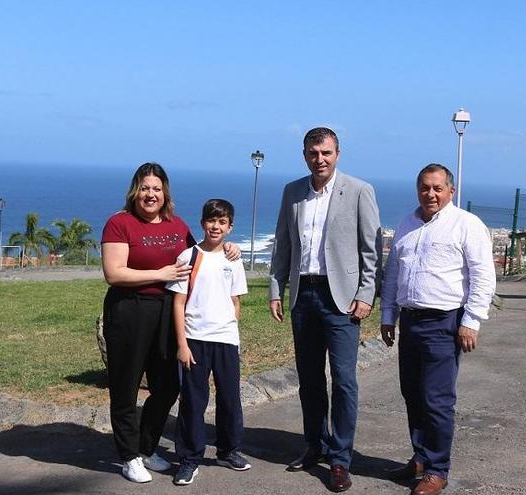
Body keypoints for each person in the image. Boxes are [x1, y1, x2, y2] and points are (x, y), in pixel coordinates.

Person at [101, 163, 239, 483]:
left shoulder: (176, 226)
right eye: (146, 188)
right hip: (129, 309)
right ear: (136, 191)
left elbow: (201, 253)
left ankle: (147, 448)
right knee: (126, 385)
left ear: (165, 194)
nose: (151, 195)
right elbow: (114, 272)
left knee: (167, 386)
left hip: (167, 309)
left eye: (157, 189)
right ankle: (128, 456)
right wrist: (160, 274)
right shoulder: (119, 223)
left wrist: (228, 248)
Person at [268, 127, 382, 493]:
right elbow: (283, 243)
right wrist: (276, 289)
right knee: (310, 379)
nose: (320, 159)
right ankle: (314, 444)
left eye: (327, 153)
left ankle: (340, 459)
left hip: (343, 300)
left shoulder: (360, 191)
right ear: (304, 154)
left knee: (345, 382)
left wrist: (366, 294)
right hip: (305, 296)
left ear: (338, 153)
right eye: (314, 153)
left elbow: (371, 249)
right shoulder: (293, 192)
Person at [379, 163, 496, 495]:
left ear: (451, 191)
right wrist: (388, 315)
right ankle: (420, 457)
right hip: (411, 321)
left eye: (437, 188)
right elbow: (392, 275)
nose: (430, 194)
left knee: (437, 400)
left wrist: (471, 321)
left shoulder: (466, 225)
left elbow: (483, 276)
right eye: (424, 188)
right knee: (412, 394)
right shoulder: (406, 224)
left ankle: (437, 470)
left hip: (444, 322)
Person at [166, 199, 250, 486]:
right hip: (194, 339)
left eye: (222, 222)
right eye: (211, 220)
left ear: (230, 227)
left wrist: (228, 327)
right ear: (202, 223)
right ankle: (189, 459)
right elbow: (178, 302)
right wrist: (182, 344)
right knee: (193, 401)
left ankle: (229, 450)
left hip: (225, 340)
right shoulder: (188, 256)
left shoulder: (233, 258)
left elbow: (235, 300)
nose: (216, 226)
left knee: (229, 398)